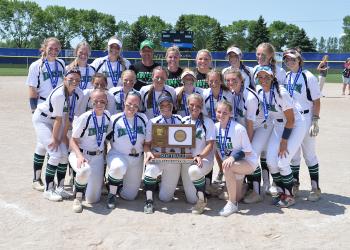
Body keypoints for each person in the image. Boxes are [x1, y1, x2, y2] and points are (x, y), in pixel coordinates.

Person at [255, 66, 306, 208]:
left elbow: (291, 120)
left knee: (283, 162)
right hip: (278, 126)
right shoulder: (260, 91)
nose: (263, 80)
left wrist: (284, 141)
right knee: (271, 162)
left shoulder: (281, 93)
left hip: (295, 126)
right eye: (260, 77)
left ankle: (289, 196)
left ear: (273, 78)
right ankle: (281, 191)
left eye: (266, 77)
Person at [32, 68, 83, 201]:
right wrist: (56, 139)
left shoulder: (78, 93)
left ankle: (60, 188)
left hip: (58, 122)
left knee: (64, 154)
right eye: (71, 79)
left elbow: (68, 117)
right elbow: (58, 120)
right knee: (54, 152)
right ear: (64, 79)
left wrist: (64, 137)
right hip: (43, 120)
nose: (74, 82)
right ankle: (48, 189)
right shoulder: (59, 95)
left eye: (77, 79)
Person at [26, 37, 65, 191]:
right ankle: (39, 180)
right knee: (51, 147)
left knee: (42, 145)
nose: (54, 51)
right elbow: (32, 90)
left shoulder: (61, 64)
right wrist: (34, 111)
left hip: (58, 110)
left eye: (57, 49)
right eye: (51, 48)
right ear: (44, 48)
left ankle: (40, 178)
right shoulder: (37, 65)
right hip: (43, 108)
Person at [224, 69, 268, 204]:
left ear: (241, 81)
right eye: (228, 80)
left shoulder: (249, 97)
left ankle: (257, 192)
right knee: (241, 154)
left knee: (251, 154)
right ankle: (243, 186)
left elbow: (251, 125)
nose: (231, 83)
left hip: (259, 127)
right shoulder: (232, 93)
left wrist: (245, 145)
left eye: (234, 80)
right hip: (244, 127)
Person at [283, 48, 322, 201]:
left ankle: (315, 187)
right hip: (292, 119)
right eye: (287, 59)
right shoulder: (286, 76)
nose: (290, 62)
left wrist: (315, 120)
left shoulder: (308, 76)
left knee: (309, 154)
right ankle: (295, 184)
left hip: (306, 119)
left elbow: (317, 101)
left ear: (299, 60)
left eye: (293, 59)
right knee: (293, 155)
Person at [69, 89, 112, 212]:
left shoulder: (107, 115)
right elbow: (72, 140)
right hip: (81, 153)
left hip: (97, 157)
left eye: (102, 101)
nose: (99, 104)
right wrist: (79, 156)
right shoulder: (85, 117)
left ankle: (82, 184)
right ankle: (77, 197)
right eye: (95, 101)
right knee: (84, 170)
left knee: (93, 199)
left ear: (107, 102)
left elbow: (105, 137)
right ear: (90, 101)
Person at [253, 42, 287, 192]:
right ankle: (265, 182)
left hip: (277, 117)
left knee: (273, 153)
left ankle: (276, 183)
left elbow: (282, 96)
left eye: (263, 55)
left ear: (271, 56)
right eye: (258, 54)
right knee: (262, 151)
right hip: (263, 118)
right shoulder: (255, 69)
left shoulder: (280, 72)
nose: (260, 57)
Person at [215, 100, 258, 217]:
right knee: (237, 196)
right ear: (215, 112)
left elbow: (248, 151)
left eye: (225, 113)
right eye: (219, 112)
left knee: (227, 167)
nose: (221, 115)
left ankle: (232, 204)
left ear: (230, 114)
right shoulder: (214, 128)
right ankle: (244, 188)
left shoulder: (239, 128)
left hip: (247, 162)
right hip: (233, 165)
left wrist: (233, 157)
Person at [106, 91, 148, 209]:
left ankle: (117, 185)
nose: (132, 107)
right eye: (129, 103)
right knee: (118, 167)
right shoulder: (114, 119)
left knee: (130, 196)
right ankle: (112, 194)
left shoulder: (143, 118)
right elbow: (104, 141)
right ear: (124, 102)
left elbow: (147, 141)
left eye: (136, 105)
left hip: (137, 158)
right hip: (118, 154)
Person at [143, 93, 183, 214]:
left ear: (173, 105)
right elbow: (146, 144)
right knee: (150, 170)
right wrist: (148, 153)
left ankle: (160, 182)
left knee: (165, 198)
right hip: (158, 156)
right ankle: (149, 201)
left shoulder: (180, 120)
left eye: (168, 105)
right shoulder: (153, 121)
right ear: (158, 107)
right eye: (162, 105)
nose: (165, 107)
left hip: (173, 160)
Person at [181, 93, 215, 214]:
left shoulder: (208, 122)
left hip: (204, 160)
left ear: (202, 107)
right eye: (191, 105)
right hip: (187, 160)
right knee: (191, 199)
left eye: (198, 105)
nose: (194, 108)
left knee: (194, 171)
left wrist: (200, 156)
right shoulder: (183, 121)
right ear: (187, 105)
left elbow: (210, 144)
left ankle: (202, 200)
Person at [202, 69, 233, 185]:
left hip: (225, 125)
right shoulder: (204, 94)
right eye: (211, 81)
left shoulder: (228, 94)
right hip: (211, 126)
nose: (213, 83)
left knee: (225, 150)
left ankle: (227, 173)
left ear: (221, 81)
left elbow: (231, 113)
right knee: (215, 151)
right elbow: (205, 114)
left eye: (216, 80)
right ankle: (220, 171)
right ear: (207, 81)